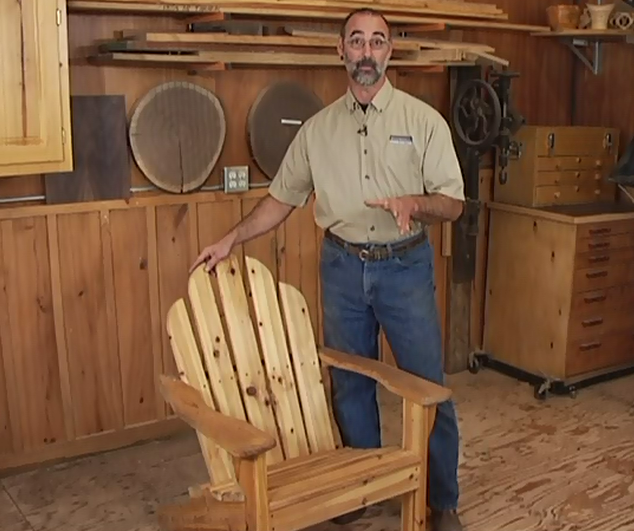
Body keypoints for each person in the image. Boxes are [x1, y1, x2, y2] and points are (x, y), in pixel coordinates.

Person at [191, 7, 466, 531]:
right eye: (357, 42)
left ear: (391, 51)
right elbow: (280, 201)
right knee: (348, 384)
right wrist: (231, 238)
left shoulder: (422, 121)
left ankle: (442, 502)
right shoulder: (316, 131)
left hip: (403, 266)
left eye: (377, 42)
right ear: (340, 51)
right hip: (341, 267)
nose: (367, 52)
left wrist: (417, 202)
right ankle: (361, 487)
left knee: (427, 387)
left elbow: (452, 203)